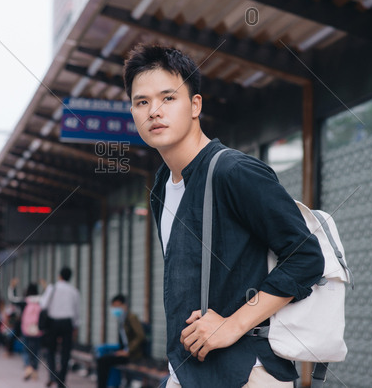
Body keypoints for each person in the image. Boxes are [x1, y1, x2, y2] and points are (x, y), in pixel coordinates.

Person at [124, 44, 325, 387]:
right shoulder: (162, 186)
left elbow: (306, 256)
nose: (154, 111)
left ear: (195, 105)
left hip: (247, 373)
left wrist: (232, 323)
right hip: (190, 372)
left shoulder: (234, 171)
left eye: (168, 98)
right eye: (142, 102)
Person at [40, 266, 80, 388]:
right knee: (66, 352)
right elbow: (77, 311)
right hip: (68, 323)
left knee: (51, 350)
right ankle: (61, 379)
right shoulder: (74, 291)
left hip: (53, 323)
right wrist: (76, 325)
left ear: (60, 276)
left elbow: (43, 304)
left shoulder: (52, 288)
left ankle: (52, 375)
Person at [96, 294, 145, 388]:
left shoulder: (132, 317)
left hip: (132, 354)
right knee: (102, 358)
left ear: (124, 305)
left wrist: (128, 351)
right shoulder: (122, 319)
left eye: (117, 306)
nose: (115, 309)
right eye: (114, 306)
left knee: (103, 361)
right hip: (124, 351)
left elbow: (140, 336)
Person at [20, 283, 43, 381]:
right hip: (37, 330)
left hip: (26, 329)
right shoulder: (41, 301)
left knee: (26, 349)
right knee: (36, 351)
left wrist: (12, 287)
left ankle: (28, 367)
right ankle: (35, 371)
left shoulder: (25, 302)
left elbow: (13, 299)